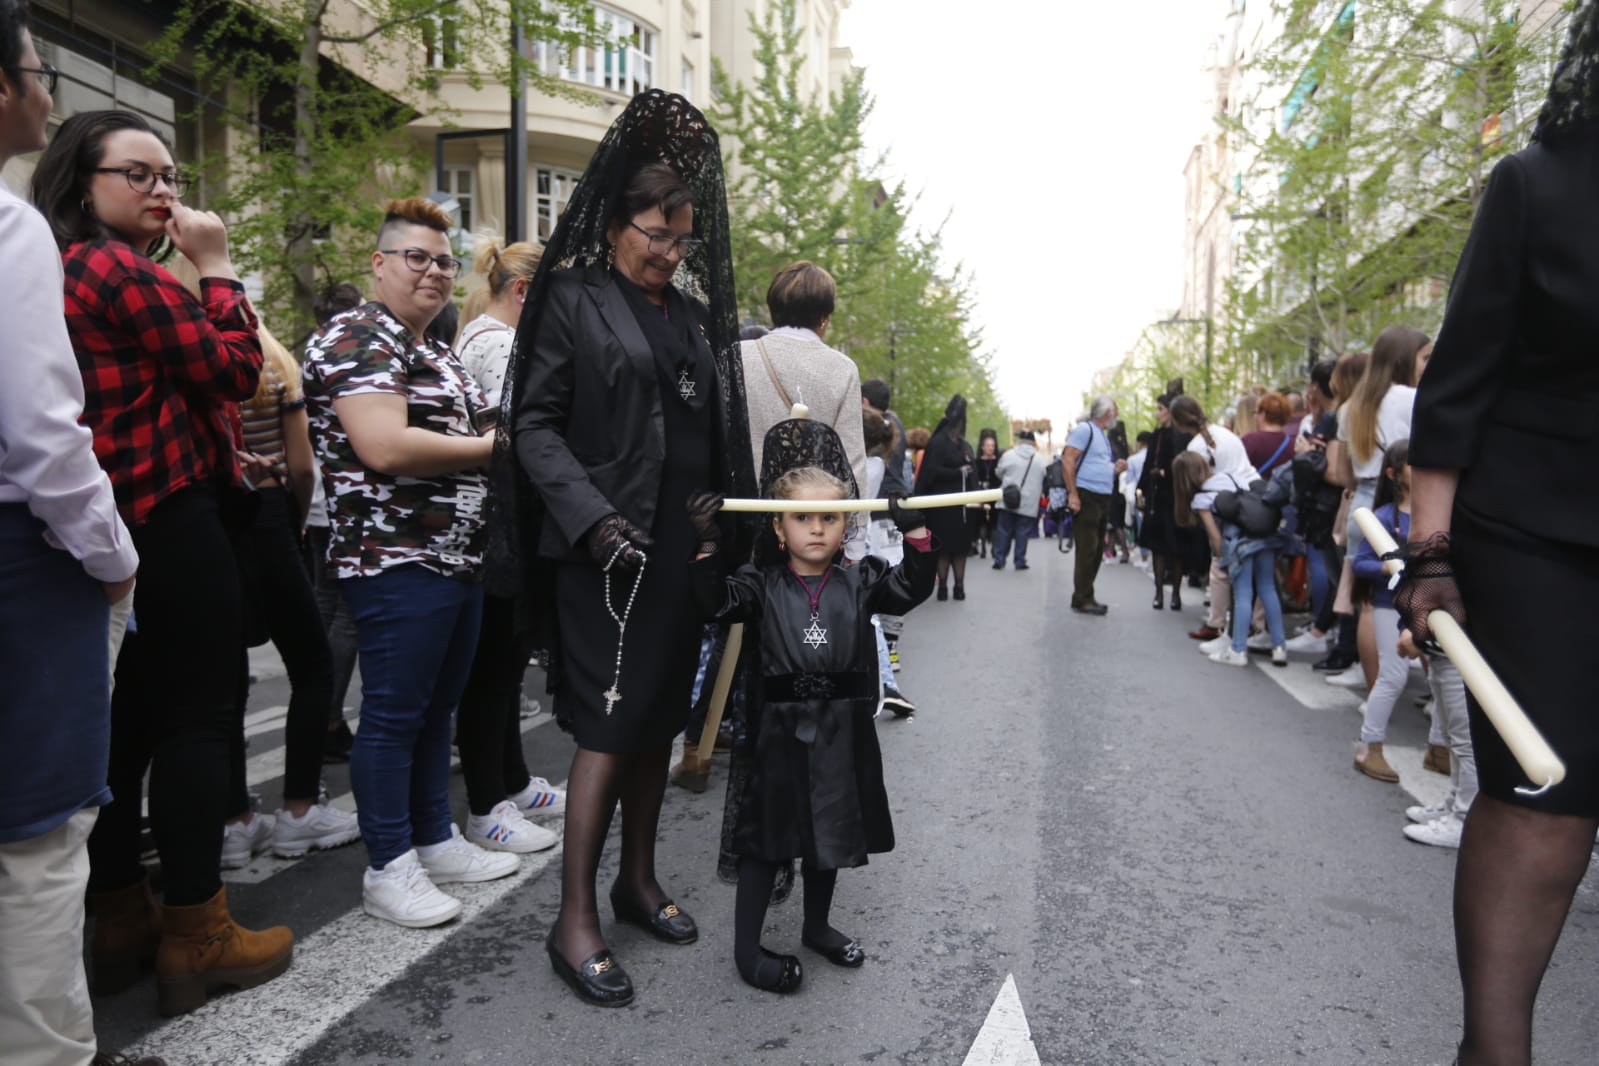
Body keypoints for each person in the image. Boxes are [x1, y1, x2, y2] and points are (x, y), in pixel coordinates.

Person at [494, 91, 754, 1008]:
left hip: (683, 549)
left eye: (683, 240)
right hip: (605, 551)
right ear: (614, 223)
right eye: (656, 233)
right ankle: (573, 920)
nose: (669, 252)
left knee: (656, 724)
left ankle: (635, 884)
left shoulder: (685, 316)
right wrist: (594, 518)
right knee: (608, 730)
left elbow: (702, 429)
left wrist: (719, 529)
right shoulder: (569, 298)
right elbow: (532, 426)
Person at [33, 108, 293, 1018]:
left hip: (107, 527)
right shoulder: (109, 266)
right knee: (197, 722)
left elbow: (157, 393)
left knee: (128, 729)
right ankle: (199, 932)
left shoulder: (58, 267)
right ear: (83, 180)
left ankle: (121, 920)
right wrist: (217, 269)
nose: (164, 192)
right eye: (138, 175)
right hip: (168, 527)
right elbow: (232, 371)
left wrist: (225, 454)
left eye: (171, 176)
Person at [1398, 12, 1599, 1059]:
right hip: (1537, 539)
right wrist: (1430, 557)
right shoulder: (1537, 182)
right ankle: (1496, 1049)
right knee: (1550, 797)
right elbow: (1457, 387)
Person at [0, 17, 154, 1061]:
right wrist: (112, 555)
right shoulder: (15, 234)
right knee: (39, 842)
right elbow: (44, 437)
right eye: (35, 71)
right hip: (25, 561)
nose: (44, 91)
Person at [303, 197, 517, 930]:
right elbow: (384, 446)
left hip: (456, 559)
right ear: (380, 262)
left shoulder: (430, 350)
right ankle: (389, 865)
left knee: (435, 711)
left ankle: (433, 836)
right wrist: (496, 450)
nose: (432, 272)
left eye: (443, 260)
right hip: (393, 557)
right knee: (393, 717)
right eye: (415, 258)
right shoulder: (357, 334)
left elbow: (496, 424)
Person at [685, 421, 935, 994]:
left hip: (842, 731)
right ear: (778, 525)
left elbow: (914, 586)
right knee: (767, 838)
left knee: (831, 829)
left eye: (829, 517)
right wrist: (705, 545)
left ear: (846, 522)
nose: (817, 528)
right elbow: (711, 603)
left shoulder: (862, 580)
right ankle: (747, 951)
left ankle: (817, 925)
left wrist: (916, 531)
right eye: (802, 517)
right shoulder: (758, 584)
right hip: (777, 734)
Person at [229, 325, 360, 864]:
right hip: (267, 508)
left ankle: (234, 820)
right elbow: (302, 464)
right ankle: (300, 809)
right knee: (311, 663)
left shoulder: (175, 351)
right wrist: (296, 517)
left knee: (222, 677)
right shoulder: (270, 362)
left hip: (204, 516)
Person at [451, 237, 564, 853]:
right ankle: (486, 802)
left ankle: (511, 783)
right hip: (500, 524)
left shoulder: (485, 337)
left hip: (503, 522)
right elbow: (513, 441)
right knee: (492, 668)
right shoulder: (496, 344)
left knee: (504, 662)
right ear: (523, 292)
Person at [303, 282, 364, 762]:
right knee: (344, 616)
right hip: (339, 504)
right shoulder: (346, 355)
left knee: (326, 608)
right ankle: (325, 717)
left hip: (320, 507)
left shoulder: (313, 349)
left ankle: (317, 713)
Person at [1173, 451, 1288, 668]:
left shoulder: (1201, 498)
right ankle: (1279, 647)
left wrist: (1222, 559)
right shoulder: (1230, 476)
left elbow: (1215, 537)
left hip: (1240, 546)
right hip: (1264, 537)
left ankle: (1238, 650)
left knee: (1242, 594)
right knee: (1267, 589)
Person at [1347, 440, 1414, 782]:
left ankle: (1439, 748)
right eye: (1412, 463)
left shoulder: (1435, 511)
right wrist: (1388, 569)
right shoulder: (1384, 518)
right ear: (1393, 473)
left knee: (1443, 677)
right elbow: (1360, 564)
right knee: (1393, 675)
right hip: (1391, 606)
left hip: (1430, 605)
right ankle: (1368, 746)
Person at [1062, 396, 1128, 615]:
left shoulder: (1100, 435)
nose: (1117, 415)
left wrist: (1113, 468)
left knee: (1097, 548)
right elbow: (1068, 459)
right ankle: (1082, 598)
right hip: (1087, 495)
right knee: (1088, 549)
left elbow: (1094, 462)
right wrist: (1073, 494)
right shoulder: (1085, 430)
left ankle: (1085, 595)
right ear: (1107, 413)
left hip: (1100, 496)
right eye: (1115, 410)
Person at [1137, 394, 1197, 611]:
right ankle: (1159, 592)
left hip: (1177, 497)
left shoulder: (1181, 436)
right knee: (1158, 547)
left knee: (1176, 547)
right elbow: (1147, 463)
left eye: (1160, 408)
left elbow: (1186, 466)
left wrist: (1166, 473)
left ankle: (1176, 594)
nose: (1157, 413)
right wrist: (1141, 489)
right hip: (1157, 498)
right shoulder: (1157, 435)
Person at [912, 395, 974, 600]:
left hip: (961, 508)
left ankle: (959, 586)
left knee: (960, 547)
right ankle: (943, 588)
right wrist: (958, 472)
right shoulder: (938, 443)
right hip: (941, 507)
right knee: (945, 547)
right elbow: (930, 472)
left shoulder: (962, 444)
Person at [992, 429, 1046, 571]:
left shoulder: (1008, 455)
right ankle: (1020, 561)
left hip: (1008, 499)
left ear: (1019, 441)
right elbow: (1043, 477)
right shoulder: (1040, 460)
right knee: (1023, 532)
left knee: (1004, 530)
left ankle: (999, 559)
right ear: (1033, 442)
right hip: (1029, 503)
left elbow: (998, 473)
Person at [1241, 392, 1295, 477]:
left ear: (1263, 414)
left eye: (1258, 412)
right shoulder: (1293, 444)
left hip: (1255, 489)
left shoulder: (1250, 440)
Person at [970, 429, 1001, 557]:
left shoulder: (998, 461)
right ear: (982, 447)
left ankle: (994, 548)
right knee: (981, 522)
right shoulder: (977, 462)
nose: (990, 448)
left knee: (994, 522)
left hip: (994, 494)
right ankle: (982, 547)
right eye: (988, 445)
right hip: (981, 494)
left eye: (992, 445)